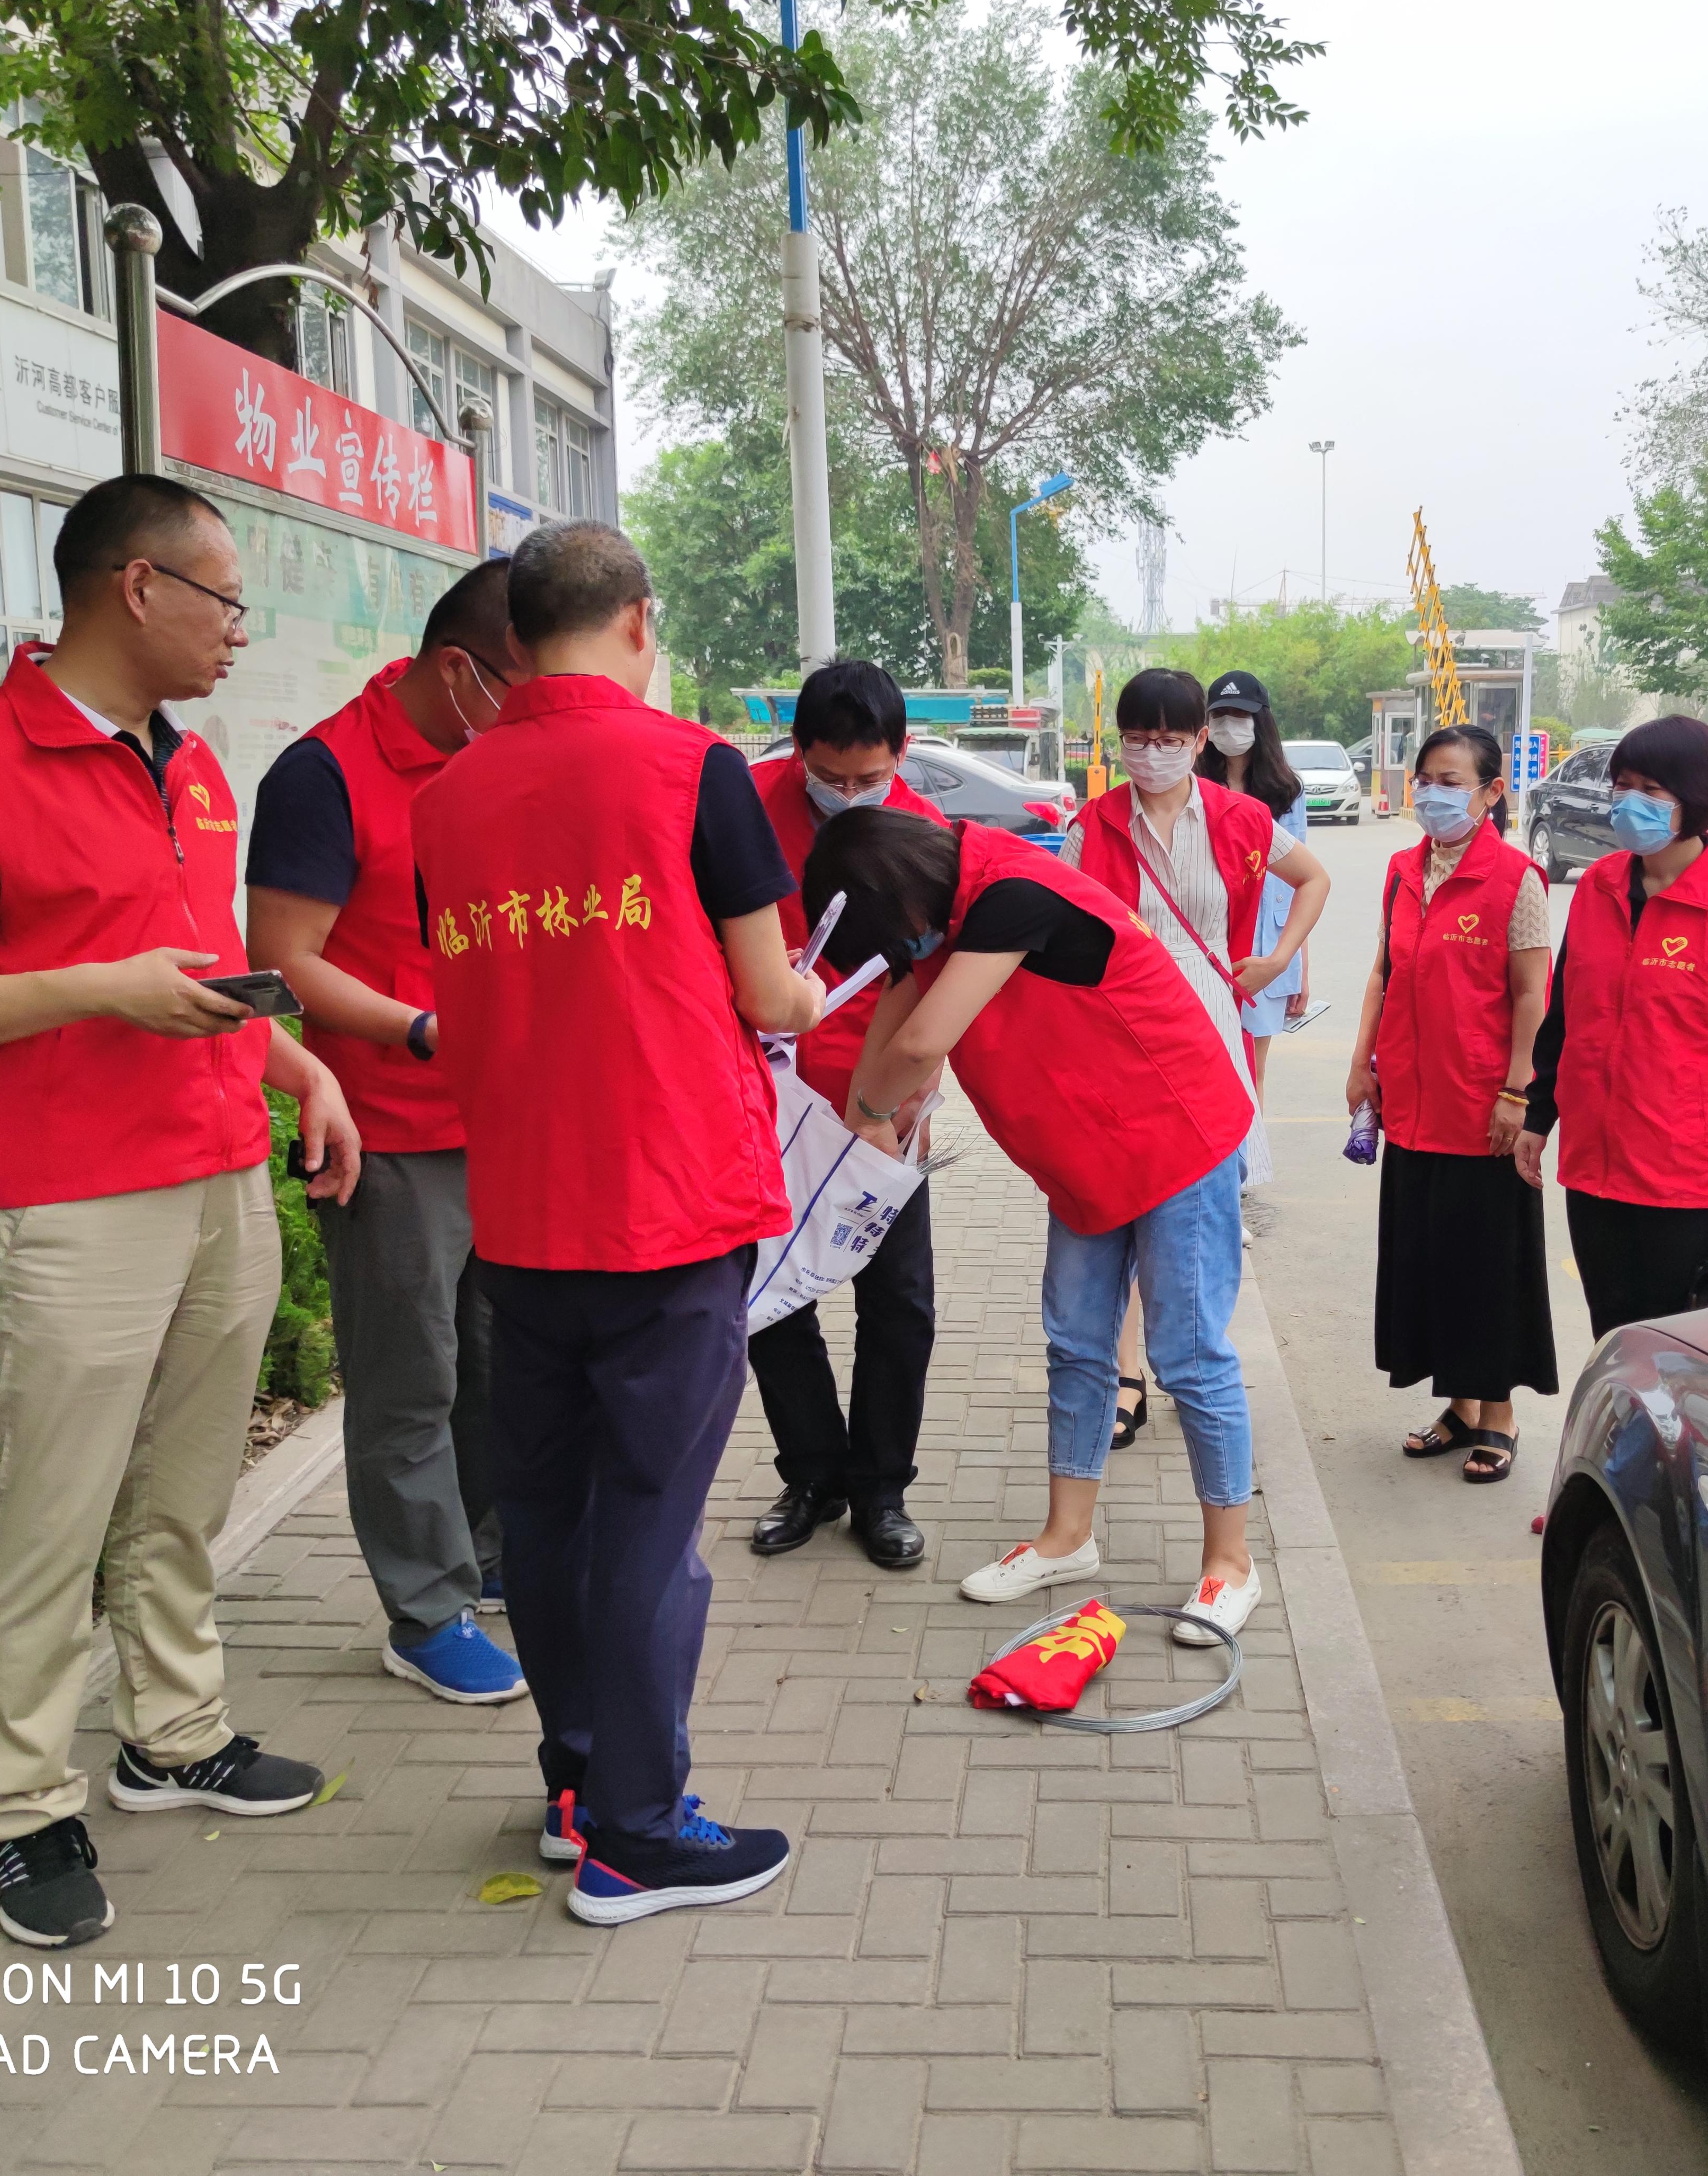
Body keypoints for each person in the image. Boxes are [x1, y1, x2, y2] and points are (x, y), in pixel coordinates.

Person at [0, 473, 352, 1948]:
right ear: (139, 587)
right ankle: (20, 1804)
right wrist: (96, 992)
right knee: (52, 1514)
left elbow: (195, 972)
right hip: (70, 1203)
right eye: (226, 601)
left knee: (185, 1490)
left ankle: (173, 1732)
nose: (238, 631)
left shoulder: (187, 764)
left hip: (217, 1174)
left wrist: (301, 1068)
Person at [411, 521, 824, 1928]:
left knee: (547, 1514)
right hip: (665, 1208)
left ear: (516, 638)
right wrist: (809, 997)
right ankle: (640, 1836)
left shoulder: (447, 799)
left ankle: (580, 1785)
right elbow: (768, 993)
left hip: (522, 1211)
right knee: (650, 1528)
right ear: (639, 622)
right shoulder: (694, 770)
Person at [802, 804, 1267, 1644]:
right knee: (1078, 1344)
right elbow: (897, 1011)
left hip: (1178, 1138)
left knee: (1190, 1356)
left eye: (895, 937)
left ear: (903, 894)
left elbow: (924, 1042)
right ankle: (1067, 1538)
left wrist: (869, 1116)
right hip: (1089, 1155)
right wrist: (858, 1118)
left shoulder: (1011, 893)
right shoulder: (941, 917)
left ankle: (1231, 1564)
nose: (905, 954)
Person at [245, 560, 529, 1706]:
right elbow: (283, 960)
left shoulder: (498, 761)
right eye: (521, 686)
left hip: (502, 1118)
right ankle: (425, 1611)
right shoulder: (325, 774)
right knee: (410, 1377)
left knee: (501, 1366)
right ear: (458, 669)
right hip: (390, 1129)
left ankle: (489, 1556)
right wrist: (418, 1029)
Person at [1061, 668, 1329, 1446]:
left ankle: (1196, 1362)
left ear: (1199, 740)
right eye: (1137, 739)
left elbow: (1312, 879)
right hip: (1122, 1027)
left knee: (1200, 1215)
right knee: (1126, 1199)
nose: (1152, 753)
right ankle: (1126, 1372)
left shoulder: (1240, 817)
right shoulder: (1094, 825)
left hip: (1210, 1018)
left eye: (1169, 739)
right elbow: (1062, 923)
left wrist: (1277, 960)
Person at [741, 660, 951, 1571]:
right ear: (799, 750)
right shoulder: (742, 810)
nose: (851, 794)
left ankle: (882, 1487)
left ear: (902, 753)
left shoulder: (924, 831)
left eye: (871, 777)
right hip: (764, 1100)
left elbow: (936, 984)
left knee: (898, 1300)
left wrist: (906, 1098)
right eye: (831, 776)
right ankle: (813, 1473)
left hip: (880, 1102)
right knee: (772, 1295)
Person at [1514, 717, 1708, 1336]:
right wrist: (1538, 1114)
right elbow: (1565, 1014)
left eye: (1650, 790)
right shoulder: (1597, 888)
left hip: (1682, 1174)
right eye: (1622, 785)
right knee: (1612, 1333)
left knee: (1678, 1343)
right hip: (1593, 1163)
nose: (1628, 801)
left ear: (1696, 799)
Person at [1342, 726, 1555, 1484]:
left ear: (1492, 792)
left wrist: (1517, 1092)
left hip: (1481, 1107)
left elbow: (1531, 995)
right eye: (1425, 778)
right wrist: (1362, 1062)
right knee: (1429, 1261)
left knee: (1486, 1267)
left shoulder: (1518, 880)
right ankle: (1460, 1406)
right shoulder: (1404, 871)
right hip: (1411, 1100)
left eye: (1451, 781)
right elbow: (1383, 973)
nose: (1432, 793)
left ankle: (1498, 1414)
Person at [1201, 668, 1312, 1094]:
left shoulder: (1287, 791)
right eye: (1220, 716)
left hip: (1266, 950)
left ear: (1260, 721)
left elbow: (1303, 884)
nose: (1230, 726)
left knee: (1252, 1070)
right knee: (1210, 1066)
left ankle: (1253, 1142)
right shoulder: (1193, 787)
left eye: (1240, 716)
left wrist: (1298, 969)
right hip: (1209, 942)